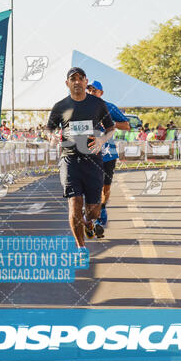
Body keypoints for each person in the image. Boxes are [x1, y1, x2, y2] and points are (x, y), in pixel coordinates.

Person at [46, 68, 115, 250]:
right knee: (74, 203)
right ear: (67, 83)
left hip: (93, 161)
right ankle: (80, 247)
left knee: (94, 210)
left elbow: (111, 128)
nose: (77, 81)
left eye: (80, 78)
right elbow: (49, 128)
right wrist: (51, 137)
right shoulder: (60, 106)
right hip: (69, 160)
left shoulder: (97, 104)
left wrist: (101, 139)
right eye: (73, 79)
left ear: (86, 82)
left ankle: (89, 222)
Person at [86, 80, 130, 226]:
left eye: (94, 90)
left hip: (108, 153)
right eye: (89, 90)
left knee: (106, 186)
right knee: (93, 185)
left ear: (101, 93)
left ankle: (103, 208)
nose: (91, 93)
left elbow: (127, 126)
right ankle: (92, 214)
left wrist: (111, 123)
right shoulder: (82, 107)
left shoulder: (109, 107)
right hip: (89, 152)